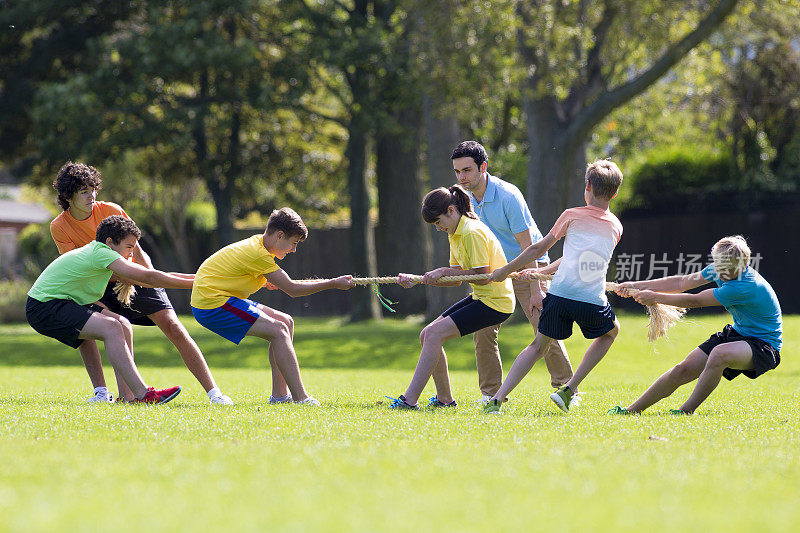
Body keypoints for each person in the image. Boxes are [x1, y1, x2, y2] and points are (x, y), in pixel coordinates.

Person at [49, 162, 231, 405]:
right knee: (90, 330)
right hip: (97, 285)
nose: (91, 195)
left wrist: (151, 277)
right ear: (67, 197)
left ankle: (214, 393)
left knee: (174, 327)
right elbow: (78, 267)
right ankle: (106, 393)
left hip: (136, 276)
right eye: (83, 191)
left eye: (93, 189)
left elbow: (137, 249)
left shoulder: (111, 209)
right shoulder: (59, 227)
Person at [484, 159, 624, 414]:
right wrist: (540, 273)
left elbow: (538, 248)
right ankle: (569, 389)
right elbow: (583, 260)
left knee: (538, 346)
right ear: (615, 193)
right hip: (590, 299)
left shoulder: (571, 215)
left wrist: (507, 270)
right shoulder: (616, 226)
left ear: (588, 186)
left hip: (559, 295)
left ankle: (497, 399)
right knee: (611, 332)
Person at [190, 207, 354, 405]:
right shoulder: (258, 253)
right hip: (211, 304)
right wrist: (333, 283)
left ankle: (279, 396)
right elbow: (292, 289)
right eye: (293, 243)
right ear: (280, 235)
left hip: (222, 297)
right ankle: (301, 398)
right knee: (278, 330)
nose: (294, 250)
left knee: (285, 321)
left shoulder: (260, 244)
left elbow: (241, 271)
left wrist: (262, 279)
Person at [451, 140, 573, 402]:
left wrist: (535, 289)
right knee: (482, 331)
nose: (462, 177)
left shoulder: (508, 195)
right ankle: (492, 395)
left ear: (483, 167)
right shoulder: (463, 199)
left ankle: (566, 388)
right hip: (495, 270)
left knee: (544, 326)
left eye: (467, 170)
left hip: (528, 264)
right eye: (458, 171)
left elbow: (527, 245)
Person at [27, 215, 191, 404]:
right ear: (110, 242)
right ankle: (144, 394)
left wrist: (198, 279)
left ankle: (128, 397)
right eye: (129, 247)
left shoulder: (99, 252)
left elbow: (155, 276)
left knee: (122, 324)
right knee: (112, 327)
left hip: (64, 302)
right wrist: (193, 285)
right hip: (44, 306)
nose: (131, 255)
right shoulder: (103, 253)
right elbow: (150, 278)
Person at [609, 235, 781, 415]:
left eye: (726, 271)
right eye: (718, 268)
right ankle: (631, 411)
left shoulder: (743, 286)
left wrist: (655, 296)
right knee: (682, 369)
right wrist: (636, 285)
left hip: (764, 345)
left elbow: (695, 301)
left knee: (719, 354)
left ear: (744, 264)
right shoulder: (722, 266)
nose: (720, 274)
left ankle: (685, 411)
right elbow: (681, 282)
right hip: (738, 334)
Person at [388, 185, 515, 410]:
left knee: (435, 333)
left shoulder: (471, 232)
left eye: (438, 222)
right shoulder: (455, 233)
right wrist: (420, 279)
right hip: (482, 298)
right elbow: (456, 279)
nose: (438, 228)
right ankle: (445, 400)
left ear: (450, 210)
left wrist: (444, 271)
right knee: (427, 334)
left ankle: (409, 400)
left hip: (495, 302)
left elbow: (483, 277)